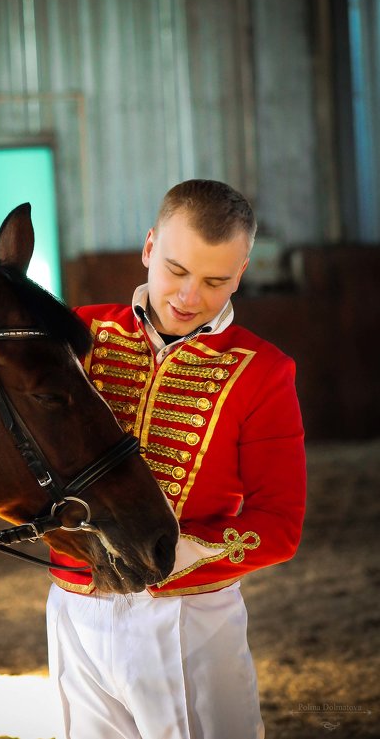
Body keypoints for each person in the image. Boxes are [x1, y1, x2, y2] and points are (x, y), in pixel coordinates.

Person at [46, 179, 307, 739]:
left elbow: (279, 527)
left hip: (191, 620)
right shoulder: (79, 333)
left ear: (241, 273)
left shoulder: (264, 372)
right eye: (176, 271)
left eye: (216, 281)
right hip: (73, 606)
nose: (189, 298)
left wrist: (172, 557)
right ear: (148, 248)